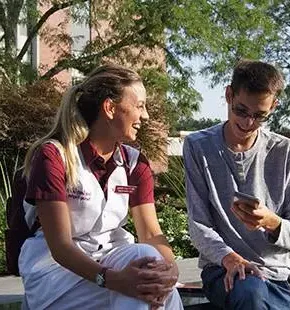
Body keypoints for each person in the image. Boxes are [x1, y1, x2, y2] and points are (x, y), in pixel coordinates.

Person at [19, 64, 183, 309]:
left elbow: (150, 234)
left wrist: (171, 271)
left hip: (113, 265)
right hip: (57, 277)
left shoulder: (136, 164)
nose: (145, 116)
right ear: (109, 108)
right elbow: (61, 247)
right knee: (143, 272)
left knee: (154, 275)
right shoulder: (54, 156)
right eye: (139, 105)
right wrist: (112, 279)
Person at [183, 59, 290, 309]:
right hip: (224, 269)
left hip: (276, 276)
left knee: (255, 293)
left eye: (260, 116)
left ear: (274, 106)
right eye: (241, 110)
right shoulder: (198, 146)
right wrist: (229, 258)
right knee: (250, 293)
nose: (248, 122)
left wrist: (271, 222)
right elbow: (198, 225)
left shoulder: (284, 151)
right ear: (229, 95)